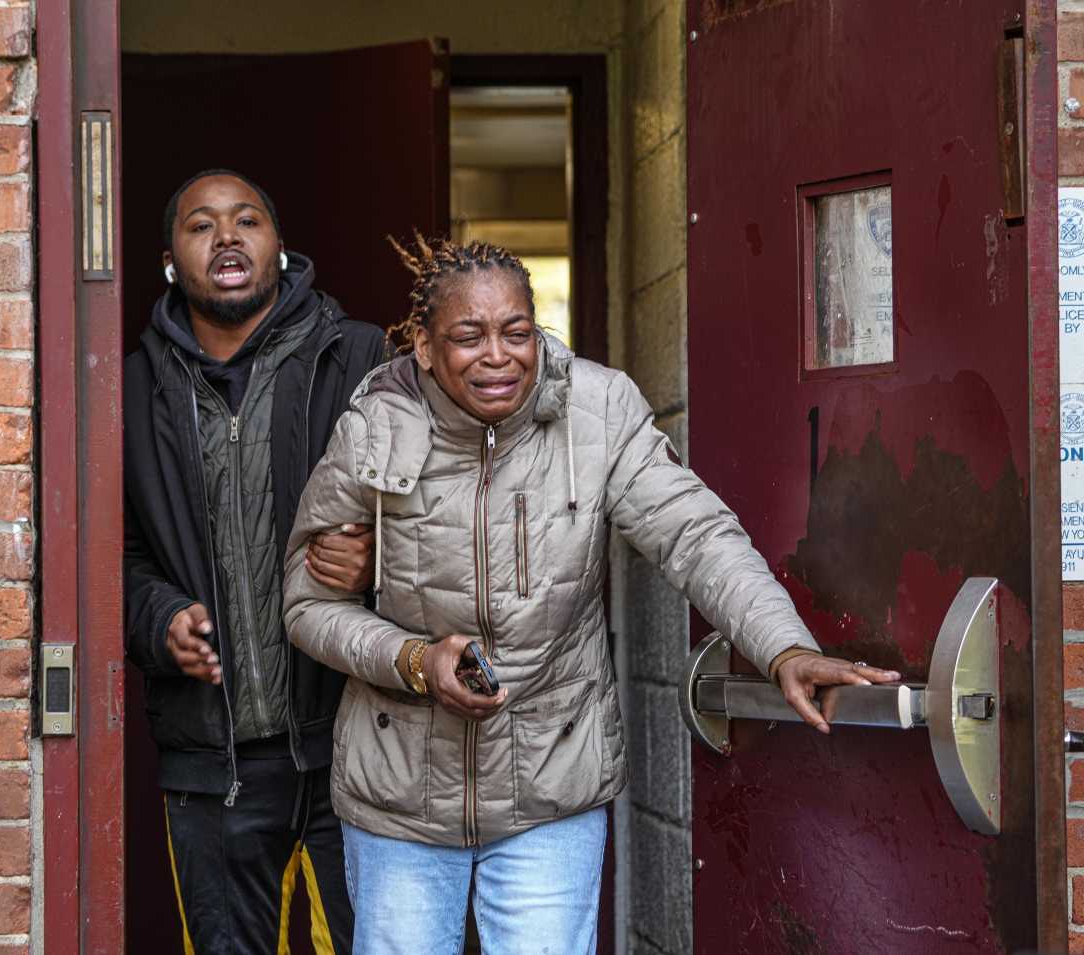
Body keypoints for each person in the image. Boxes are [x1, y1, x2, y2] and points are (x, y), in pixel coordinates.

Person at [279, 235, 901, 954]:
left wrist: (781, 644)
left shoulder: (597, 411)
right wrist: (415, 660)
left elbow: (694, 534)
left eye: (517, 331)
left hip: (552, 783)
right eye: (467, 336)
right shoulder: (374, 425)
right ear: (423, 345)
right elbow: (305, 603)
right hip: (397, 798)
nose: (498, 355)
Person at [123, 169, 386, 955]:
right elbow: (108, 556)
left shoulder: (363, 359)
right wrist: (158, 618)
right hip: (214, 764)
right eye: (201, 226)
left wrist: (379, 555)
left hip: (360, 749)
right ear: (172, 261)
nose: (227, 236)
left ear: (279, 248)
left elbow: (441, 513)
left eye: (247, 221)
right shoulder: (129, 389)